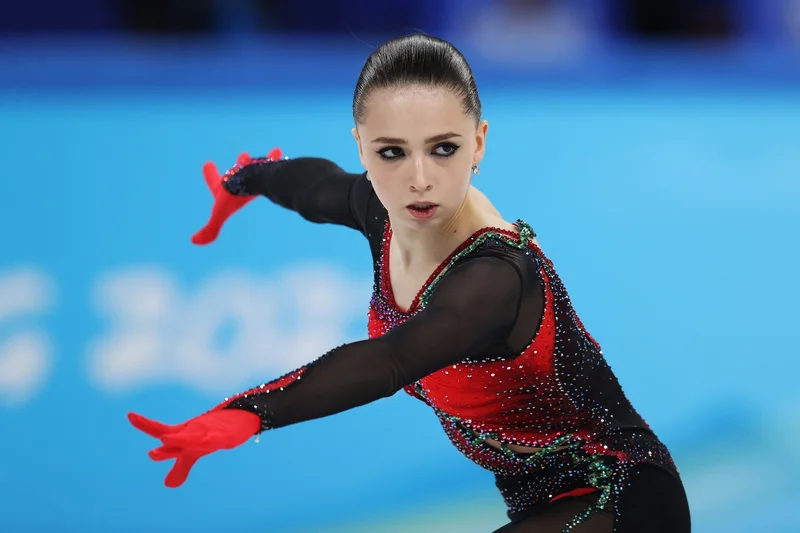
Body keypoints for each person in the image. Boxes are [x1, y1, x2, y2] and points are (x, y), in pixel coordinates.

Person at [128, 33, 691, 532]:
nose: (419, 179)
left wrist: (251, 411)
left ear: (479, 143)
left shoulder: (495, 275)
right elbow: (313, 186)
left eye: (444, 148)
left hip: (620, 495)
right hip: (537, 503)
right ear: (362, 147)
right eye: (391, 152)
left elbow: (391, 361)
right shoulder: (382, 209)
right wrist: (246, 179)